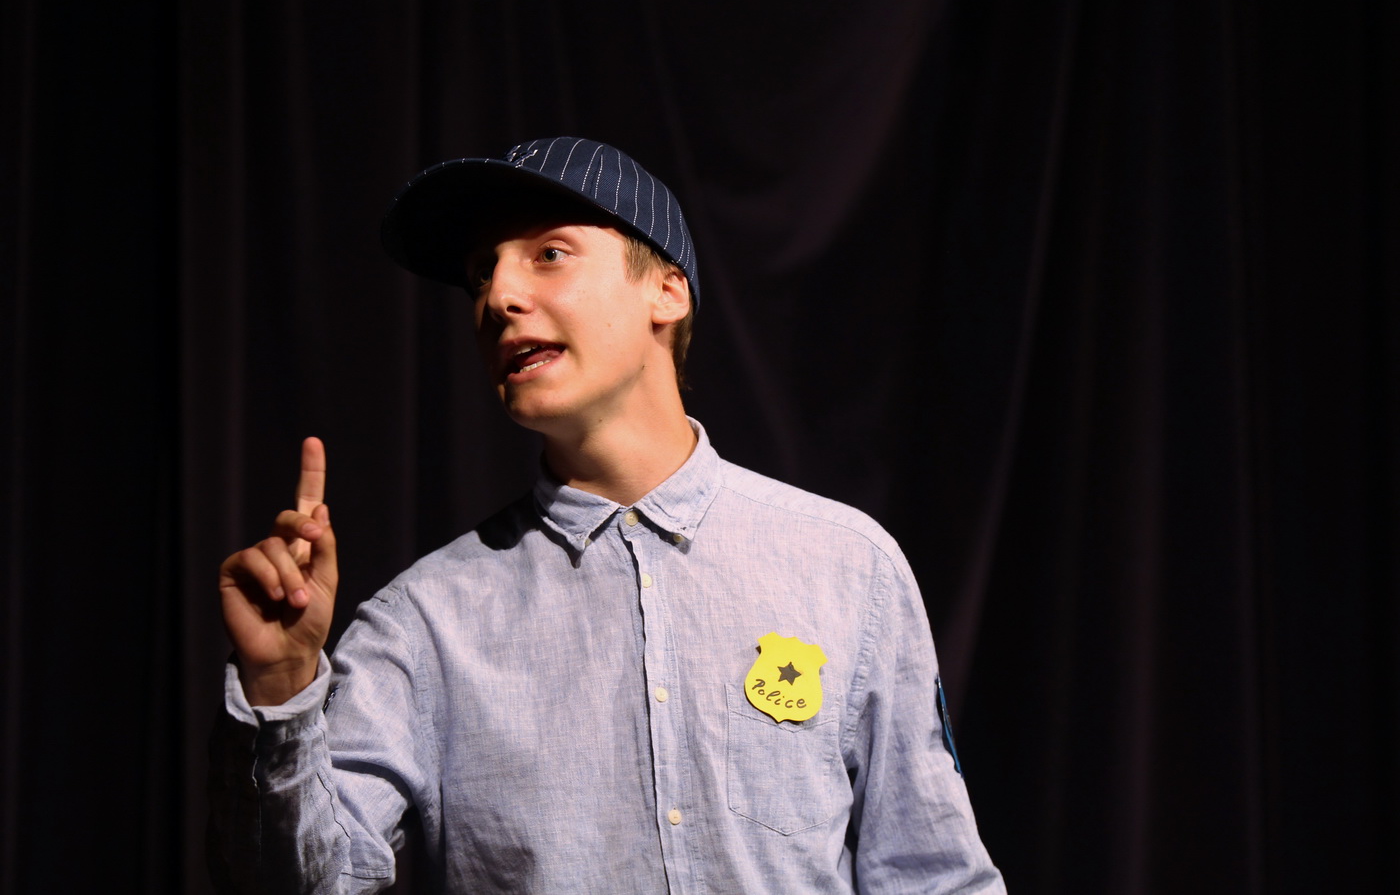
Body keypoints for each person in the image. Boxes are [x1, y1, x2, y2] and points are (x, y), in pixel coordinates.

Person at [208, 137, 1006, 894]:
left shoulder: (848, 566)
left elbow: (934, 874)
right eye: (482, 273)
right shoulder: (421, 624)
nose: (499, 297)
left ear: (667, 291)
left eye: (548, 254)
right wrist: (279, 689)